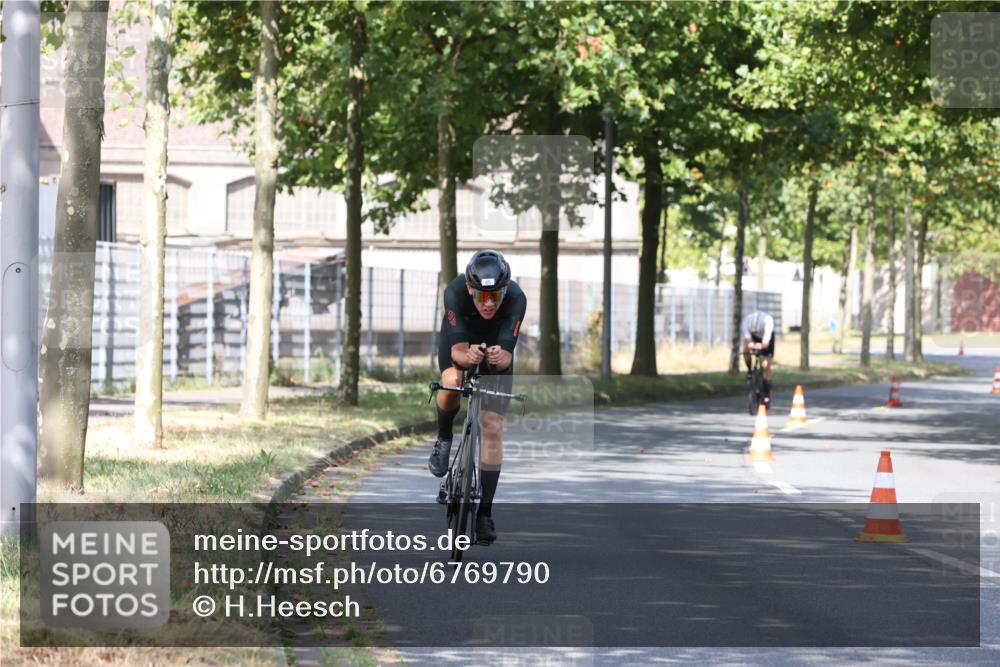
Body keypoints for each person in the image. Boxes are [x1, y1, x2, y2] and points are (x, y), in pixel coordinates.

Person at [427, 249, 526, 544]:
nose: (490, 302)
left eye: (496, 295)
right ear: (470, 289)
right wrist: (467, 355)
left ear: (505, 290)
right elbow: (457, 352)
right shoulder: (455, 291)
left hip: (497, 343)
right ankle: (444, 439)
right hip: (461, 340)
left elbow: (507, 357)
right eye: (483, 296)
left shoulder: (517, 298)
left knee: (493, 424)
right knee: (452, 379)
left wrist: (498, 356)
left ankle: (484, 513)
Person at [741, 310, 776, 408]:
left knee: (765, 366)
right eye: (754, 331)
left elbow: (766, 343)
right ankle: (749, 370)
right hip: (753, 338)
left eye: (757, 330)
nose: (756, 332)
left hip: (766, 338)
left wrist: (761, 346)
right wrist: (751, 344)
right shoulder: (746, 322)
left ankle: (767, 393)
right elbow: (748, 339)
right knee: (745, 349)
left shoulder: (768, 321)